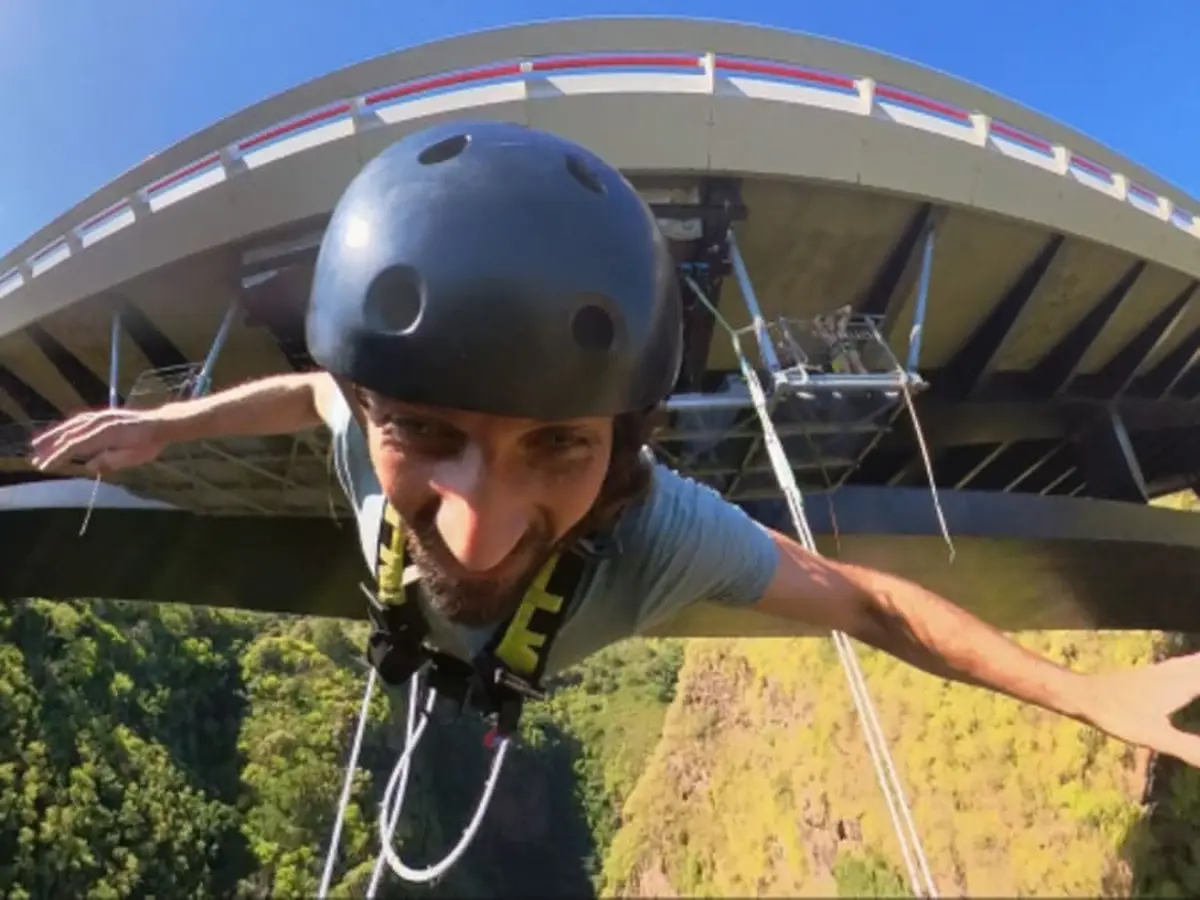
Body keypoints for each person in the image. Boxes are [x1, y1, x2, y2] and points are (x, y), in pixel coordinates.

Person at [31, 121, 1200, 769]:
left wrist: (1087, 696)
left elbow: (869, 604)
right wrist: (164, 423)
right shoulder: (360, 428)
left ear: (629, 447)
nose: (479, 528)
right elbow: (307, 392)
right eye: (426, 432)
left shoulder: (662, 532)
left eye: (557, 446)